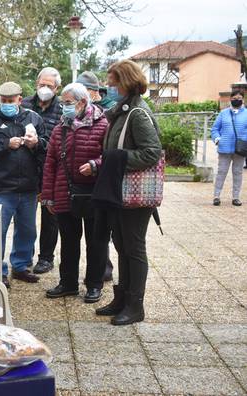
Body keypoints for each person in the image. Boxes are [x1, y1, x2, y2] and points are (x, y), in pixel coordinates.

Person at [91, 60, 162, 325]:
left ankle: (135, 306)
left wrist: (118, 158)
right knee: (121, 245)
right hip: (119, 191)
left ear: (127, 83)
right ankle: (121, 299)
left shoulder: (138, 114)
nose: (109, 88)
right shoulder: (121, 111)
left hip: (135, 194)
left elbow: (152, 152)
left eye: (113, 84)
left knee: (133, 248)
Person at [0, 82, 47, 286]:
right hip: (2, 186)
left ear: (19, 100)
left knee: (27, 230)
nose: (6, 104)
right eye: (3, 101)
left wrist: (36, 143)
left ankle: (21, 266)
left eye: (10, 101)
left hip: (29, 187)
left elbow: (47, 145)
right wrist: (5, 144)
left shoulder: (34, 117)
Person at [40, 83, 108, 303]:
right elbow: (50, 163)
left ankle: (94, 285)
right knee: (69, 242)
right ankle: (68, 283)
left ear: (82, 102)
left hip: (94, 195)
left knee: (96, 242)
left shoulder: (103, 124)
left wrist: (95, 165)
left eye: (68, 103)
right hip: (64, 193)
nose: (64, 108)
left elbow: (110, 156)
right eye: (62, 103)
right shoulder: (60, 128)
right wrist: (47, 195)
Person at [22, 67, 62, 275]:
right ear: (36, 84)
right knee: (25, 217)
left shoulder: (63, 109)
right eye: (42, 84)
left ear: (57, 88)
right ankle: (23, 256)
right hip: (25, 169)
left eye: (49, 86)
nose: (44, 89)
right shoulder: (24, 105)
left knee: (50, 216)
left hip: (50, 170)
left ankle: (46, 258)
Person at [77, 70, 116, 281]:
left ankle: (103, 270)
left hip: (102, 176)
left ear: (92, 92)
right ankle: (98, 270)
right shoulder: (77, 111)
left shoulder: (109, 110)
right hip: (83, 179)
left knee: (101, 231)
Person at [210, 90, 246, 206]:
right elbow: (215, 129)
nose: (237, 99)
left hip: (240, 149)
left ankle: (236, 197)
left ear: (243, 99)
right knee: (221, 172)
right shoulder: (223, 113)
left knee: (238, 173)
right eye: (234, 98)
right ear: (230, 99)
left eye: (239, 97)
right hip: (224, 148)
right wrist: (217, 139)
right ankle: (216, 196)